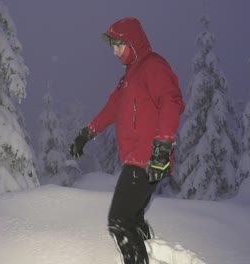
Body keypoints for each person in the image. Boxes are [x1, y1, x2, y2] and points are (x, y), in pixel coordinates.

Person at [69, 17, 184, 264]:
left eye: (118, 45)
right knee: (133, 218)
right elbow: (112, 109)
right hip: (139, 158)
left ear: (132, 43)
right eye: (112, 46)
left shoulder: (152, 65)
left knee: (119, 221)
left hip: (147, 158)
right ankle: (151, 251)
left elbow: (171, 102)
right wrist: (86, 133)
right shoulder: (129, 78)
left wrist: (162, 147)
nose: (114, 52)